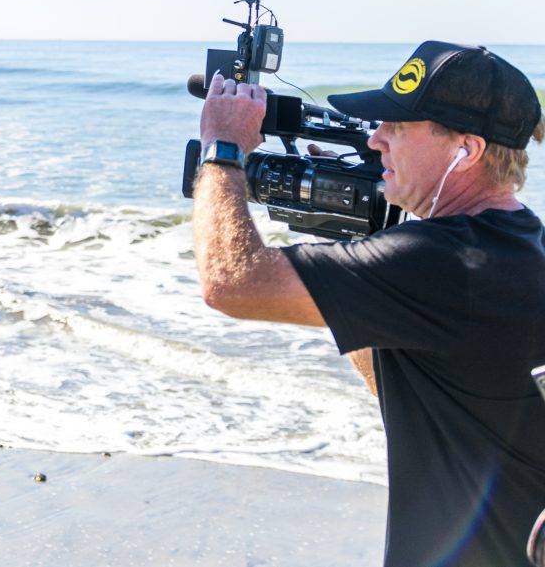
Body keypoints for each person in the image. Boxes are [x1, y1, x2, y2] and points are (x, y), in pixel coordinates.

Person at [191, 41, 545, 567]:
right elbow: (409, 389)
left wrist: (223, 148)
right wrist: (366, 241)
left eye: (397, 127)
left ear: (466, 150)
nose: (376, 139)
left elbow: (230, 282)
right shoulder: (518, 241)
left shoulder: (441, 264)